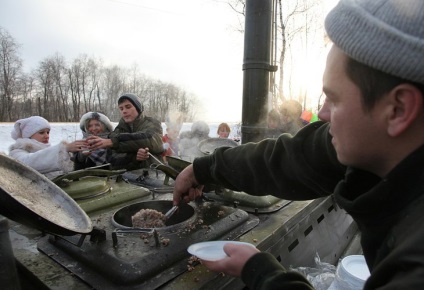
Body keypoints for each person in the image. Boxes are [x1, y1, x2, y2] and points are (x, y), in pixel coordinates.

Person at [172, 0, 424, 289]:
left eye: (334, 98)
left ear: (398, 110)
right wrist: (204, 168)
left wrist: (262, 272)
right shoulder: (375, 145)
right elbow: (290, 158)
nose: (323, 114)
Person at [86, 93, 163, 170]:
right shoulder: (117, 131)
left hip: (156, 175)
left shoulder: (152, 123)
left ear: (138, 108)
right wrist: (135, 157)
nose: (124, 111)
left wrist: (114, 142)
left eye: (128, 107)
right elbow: (112, 161)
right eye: (121, 109)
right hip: (126, 178)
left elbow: (150, 139)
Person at [8, 116, 86, 179]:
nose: (47, 136)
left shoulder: (48, 151)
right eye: (41, 132)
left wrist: (80, 156)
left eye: (48, 132)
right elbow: (28, 163)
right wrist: (64, 149)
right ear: (28, 135)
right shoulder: (16, 152)